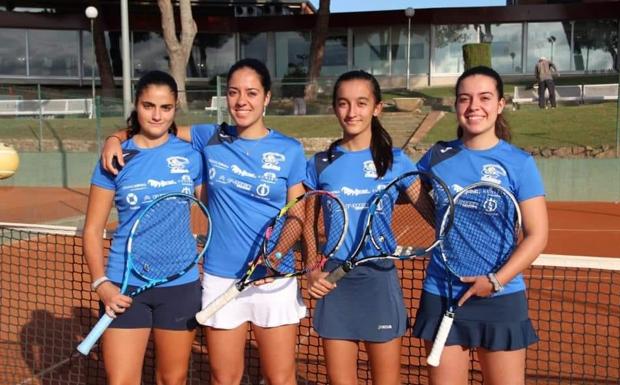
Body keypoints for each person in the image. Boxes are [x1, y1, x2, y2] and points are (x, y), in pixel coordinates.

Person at [101, 58, 307, 385]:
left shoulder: (289, 149)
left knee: (280, 378)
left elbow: (298, 214)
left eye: (252, 93)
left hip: (272, 277)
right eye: (234, 92)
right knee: (223, 377)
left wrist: (275, 256)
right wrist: (114, 137)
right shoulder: (209, 137)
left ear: (266, 98)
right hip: (220, 277)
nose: (242, 101)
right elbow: (155, 126)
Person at [413, 66, 548, 385]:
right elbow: (412, 189)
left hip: (500, 297)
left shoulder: (519, 163)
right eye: (465, 98)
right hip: (443, 292)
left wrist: (496, 280)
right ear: (456, 105)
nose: (474, 106)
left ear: (500, 104)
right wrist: (439, 220)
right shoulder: (438, 156)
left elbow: (538, 235)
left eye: (485, 98)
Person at [83, 70, 204, 385]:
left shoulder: (191, 155)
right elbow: (93, 230)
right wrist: (102, 285)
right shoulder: (116, 157)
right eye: (149, 105)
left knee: (172, 379)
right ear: (136, 105)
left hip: (180, 284)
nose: (157, 115)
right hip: (124, 283)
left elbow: (210, 206)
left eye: (165, 108)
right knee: (121, 380)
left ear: (175, 108)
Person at [304, 70, 415, 385]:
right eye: (343, 103)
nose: (352, 112)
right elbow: (308, 224)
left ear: (377, 108)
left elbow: (431, 210)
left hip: (379, 279)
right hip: (334, 281)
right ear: (335, 108)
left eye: (362, 103)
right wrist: (313, 267)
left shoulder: (397, 161)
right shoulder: (320, 163)